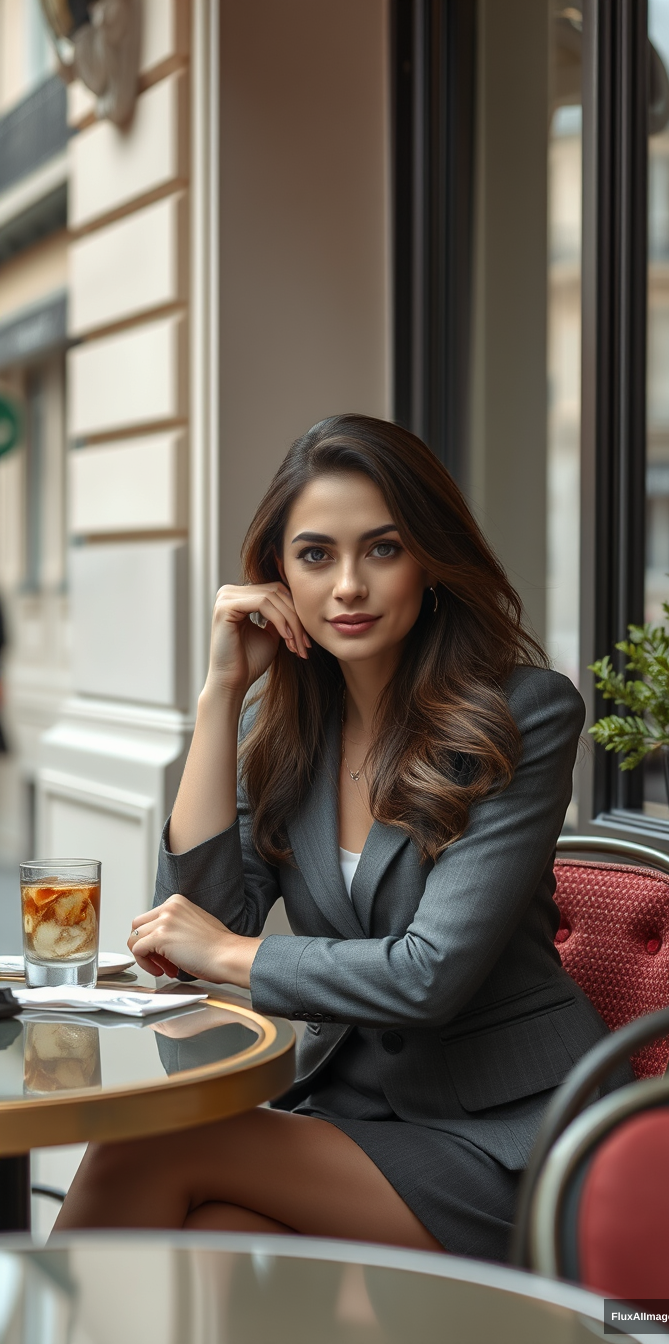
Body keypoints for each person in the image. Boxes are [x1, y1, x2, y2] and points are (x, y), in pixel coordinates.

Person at [56, 414, 619, 1261]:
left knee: (155, 1140)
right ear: (278, 572)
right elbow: (202, 921)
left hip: (510, 1145)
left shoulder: (524, 713)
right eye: (316, 555)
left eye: (383, 549)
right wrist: (220, 694)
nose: (348, 585)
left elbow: (427, 976)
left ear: (429, 559)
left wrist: (221, 953)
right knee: (211, 1239)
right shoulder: (287, 727)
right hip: (352, 1118)